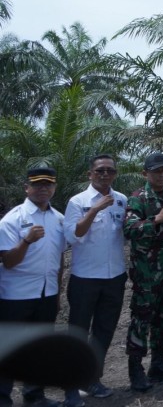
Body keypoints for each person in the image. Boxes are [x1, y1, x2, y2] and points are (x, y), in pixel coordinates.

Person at [63, 154, 128, 403]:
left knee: (104, 331)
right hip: (85, 278)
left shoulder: (121, 200)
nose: (105, 175)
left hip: (114, 277)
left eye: (110, 171)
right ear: (90, 174)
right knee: (78, 331)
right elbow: (75, 234)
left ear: (115, 174)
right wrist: (95, 209)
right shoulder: (77, 201)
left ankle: (93, 379)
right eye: (100, 171)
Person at [0, 167, 67, 407]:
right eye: (37, 184)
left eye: (48, 184)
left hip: (46, 293)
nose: (43, 189)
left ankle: (34, 395)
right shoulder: (12, 219)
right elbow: (8, 261)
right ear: (26, 188)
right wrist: (26, 240)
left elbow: (59, 259)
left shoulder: (59, 218)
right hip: (16, 295)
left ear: (54, 187)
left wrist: (57, 292)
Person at [123, 153, 163, 391]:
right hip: (147, 273)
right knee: (141, 320)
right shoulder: (138, 198)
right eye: (156, 171)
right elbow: (129, 229)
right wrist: (156, 220)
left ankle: (158, 363)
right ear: (145, 173)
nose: (161, 174)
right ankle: (135, 369)